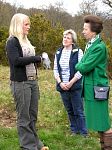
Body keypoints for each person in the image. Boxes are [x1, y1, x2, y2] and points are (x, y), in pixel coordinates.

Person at [6, 13, 49, 150]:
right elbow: (15, 61)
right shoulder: (12, 41)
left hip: (32, 82)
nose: (29, 27)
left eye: (29, 24)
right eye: (26, 24)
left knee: (32, 116)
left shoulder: (26, 40)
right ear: (18, 25)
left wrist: (39, 61)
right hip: (21, 83)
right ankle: (28, 146)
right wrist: (35, 58)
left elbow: (28, 61)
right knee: (24, 118)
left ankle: (36, 143)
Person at [75, 15, 112, 149]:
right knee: (99, 123)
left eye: (85, 29)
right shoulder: (90, 44)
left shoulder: (99, 47)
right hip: (91, 89)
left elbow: (83, 67)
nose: (83, 31)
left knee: (103, 123)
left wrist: (78, 64)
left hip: (98, 90)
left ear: (93, 30)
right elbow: (84, 64)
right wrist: (81, 63)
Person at [53, 29, 88, 137]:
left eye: (68, 38)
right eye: (64, 37)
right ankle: (74, 130)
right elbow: (55, 70)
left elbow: (81, 70)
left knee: (78, 110)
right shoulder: (58, 52)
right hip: (62, 86)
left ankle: (83, 132)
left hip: (75, 85)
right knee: (69, 110)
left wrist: (71, 82)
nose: (65, 39)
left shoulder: (78, 52)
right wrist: (61, 83)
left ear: (73, 41)